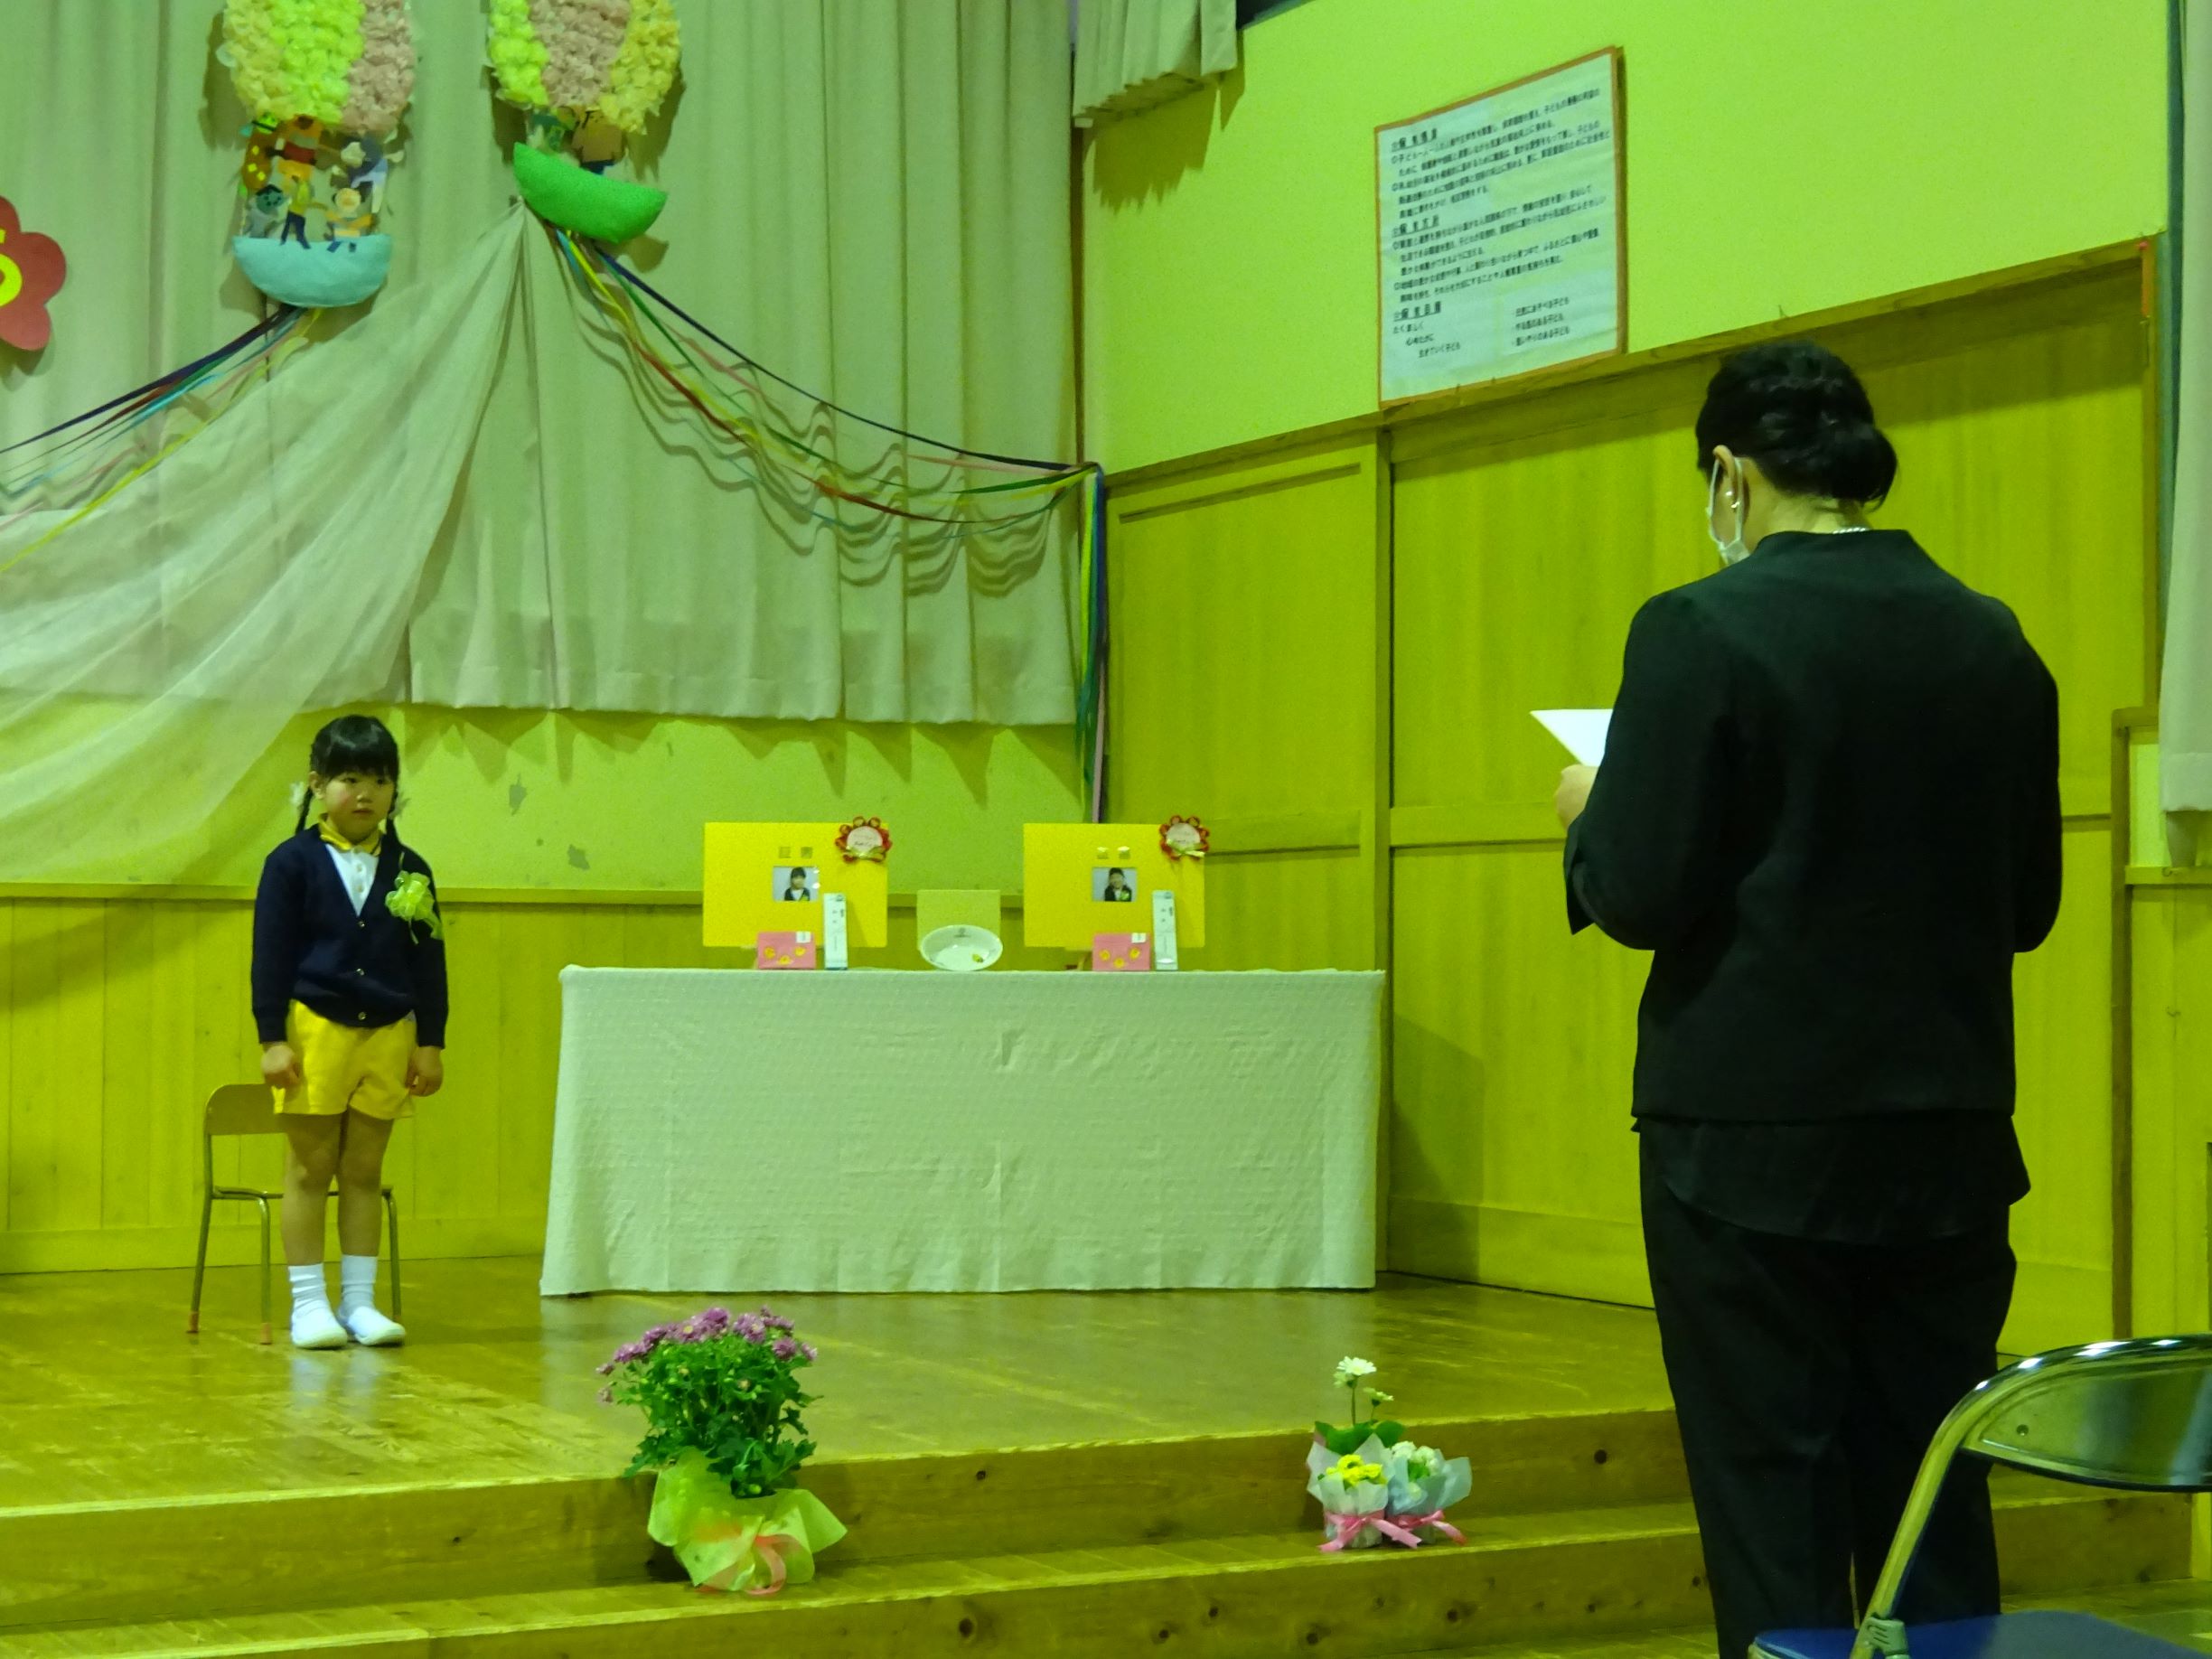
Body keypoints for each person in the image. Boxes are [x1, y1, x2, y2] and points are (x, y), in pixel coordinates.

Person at [1553, 340, 2062, 1659]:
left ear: (1730, 472)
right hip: (1948, 1134)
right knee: (1932, 1480)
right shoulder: (1992, 636)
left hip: (1747, 1141)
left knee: (1768, 1487)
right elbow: (2029, 907)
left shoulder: (1697, 628)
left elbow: (1642, 892)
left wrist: (1591, 812)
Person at [252, 715, 447, 1350]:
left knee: (364, 1170)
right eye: (351, 779)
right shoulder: (290, 862)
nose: (366, 794)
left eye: (381, 781)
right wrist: (272, 1039)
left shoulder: (412, 868)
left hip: (389, 1033)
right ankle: (309, 1305)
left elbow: (429, 962)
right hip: (315, 1030)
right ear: (317, 784)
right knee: (311, 1170)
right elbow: (269, 956)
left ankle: (359, 1303)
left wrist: (431, 1041)